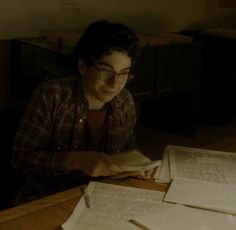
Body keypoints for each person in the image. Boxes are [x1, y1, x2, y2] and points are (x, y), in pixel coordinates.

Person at [12, 19, 151, 204]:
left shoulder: (125, 100)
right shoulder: (51, 96)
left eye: (124, 73)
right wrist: (76, 161)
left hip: (104, 195)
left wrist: (139, 164)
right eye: (105, 70)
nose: (115, 83)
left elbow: (128, 146)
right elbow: (21, 159)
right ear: (82, 66)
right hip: (51, 197)